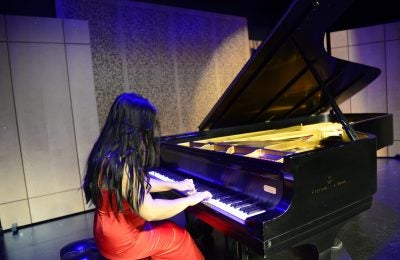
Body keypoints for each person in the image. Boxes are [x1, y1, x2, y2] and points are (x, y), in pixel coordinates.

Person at [83, 92, 212, 260]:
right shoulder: (123, 164)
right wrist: (190, 200)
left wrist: (174, 185)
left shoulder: (107, 153)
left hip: (106, 231)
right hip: (123, 242)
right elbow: (150, 211)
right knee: (180, 238)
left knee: (169, 227)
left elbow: (137, 184)